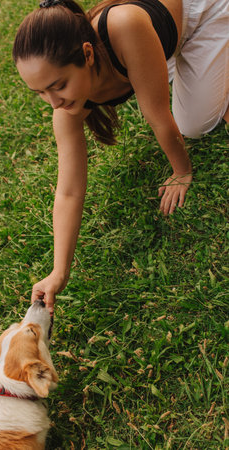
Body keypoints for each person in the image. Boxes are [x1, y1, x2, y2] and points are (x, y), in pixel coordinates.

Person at [12, 0, 229, 314]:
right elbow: (69, 191)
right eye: (41, 92)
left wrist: (182, 171)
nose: (53, 102)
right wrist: (59, 272)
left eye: (58, 86)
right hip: (154, 42)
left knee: (194, 124)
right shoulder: (64, 107)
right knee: (177, 94)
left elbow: (158, 117)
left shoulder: (125, 26)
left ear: (88, 54)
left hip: (200, 11)